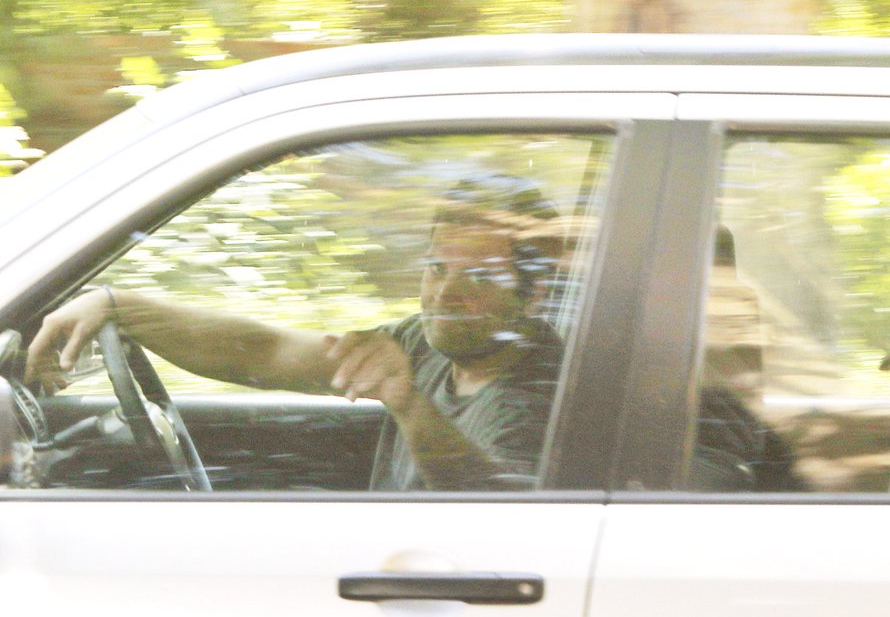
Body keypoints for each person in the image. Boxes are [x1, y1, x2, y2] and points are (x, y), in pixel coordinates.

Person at [25, 172, 566, 491]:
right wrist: (119, 305)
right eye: (436, 267)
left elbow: (491, 503)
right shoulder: (423, 343)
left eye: (478, 277)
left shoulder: (547, 390)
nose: (446, 295)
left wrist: (408, 405)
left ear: (534, 293)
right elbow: (268, 352)